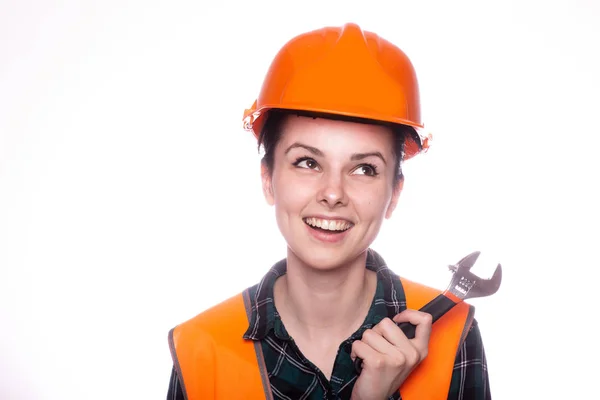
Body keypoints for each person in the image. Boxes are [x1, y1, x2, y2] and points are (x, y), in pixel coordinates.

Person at [166, 22, 491, 400]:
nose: (333, 193)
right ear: (268, 178)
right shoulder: (199, 349)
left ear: (395, 193)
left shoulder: (451, 336)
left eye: (364, 168)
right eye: (307, 162)